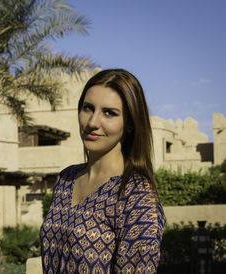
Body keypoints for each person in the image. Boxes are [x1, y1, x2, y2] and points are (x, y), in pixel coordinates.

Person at [40, 69, 166, 273]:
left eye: (109, 113)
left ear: (131, 124)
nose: (92, 123)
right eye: (88, 108)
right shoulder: (66, 179)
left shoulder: (136, 196)